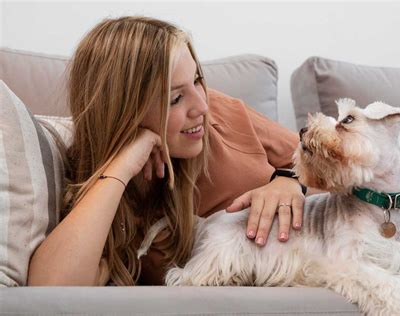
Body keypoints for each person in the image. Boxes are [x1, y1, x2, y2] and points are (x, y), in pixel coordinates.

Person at [27, 16, 314, 286]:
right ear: (124, 111)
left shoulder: (223, 114)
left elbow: (328, 164)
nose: (202, 106)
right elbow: (50, 289)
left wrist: (289, 180)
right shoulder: (108, 205)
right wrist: (122, 167)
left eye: (198, 80)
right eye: (175, 98)